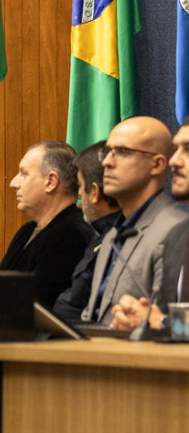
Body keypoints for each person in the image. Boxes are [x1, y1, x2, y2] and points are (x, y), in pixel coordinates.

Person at [80, 117, 189, 325]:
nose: (106, 162)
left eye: (122, 152)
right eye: (108, 152)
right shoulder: (113, 234)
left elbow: (167, 323)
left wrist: (157, 322)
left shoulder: (173, 232)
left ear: (157, 164)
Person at [111, 119, 189, 330]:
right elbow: (169, 323)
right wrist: (137, 320)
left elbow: (164, 321)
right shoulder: (179, 235)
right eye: (176, 150)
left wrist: (160, 322)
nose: (174, 161)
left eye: (188, 150)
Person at [0, 141, 94, 308]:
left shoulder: (71, 236)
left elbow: (41, 307)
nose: (13, 183)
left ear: (51, 181)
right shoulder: (26, 231)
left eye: (24, 174)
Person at [51, 141, 121, 320]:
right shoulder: (100, 236)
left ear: (95, 192)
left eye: (81, 187)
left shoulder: (116, 238)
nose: (80, 197)